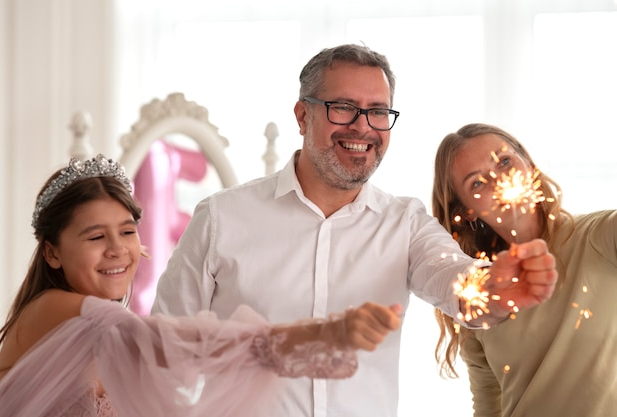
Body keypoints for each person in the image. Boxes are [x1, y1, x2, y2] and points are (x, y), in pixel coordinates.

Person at [151, 44, 559, 417]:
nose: (363, 127)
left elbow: (454, 279)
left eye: (378, 111)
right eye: (343, 107)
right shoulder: (221, 218)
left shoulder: (405, 222)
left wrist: (494, 287)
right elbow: (163, 351)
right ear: (302, 115)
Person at [0, 154, 404, 417]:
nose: (118, 250)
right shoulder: (54, 310)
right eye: (96, 237)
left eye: (128, 232)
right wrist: (326, 332)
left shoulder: (106, 330)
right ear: (52, 253)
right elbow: (182, 343)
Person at [432, 123, 617, 417]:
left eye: (505, 162)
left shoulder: (599, 237)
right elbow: (488, 407)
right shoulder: (477, 296)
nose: (498, 181)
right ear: (467, 210)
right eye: (476, 183)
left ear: (529, 164)